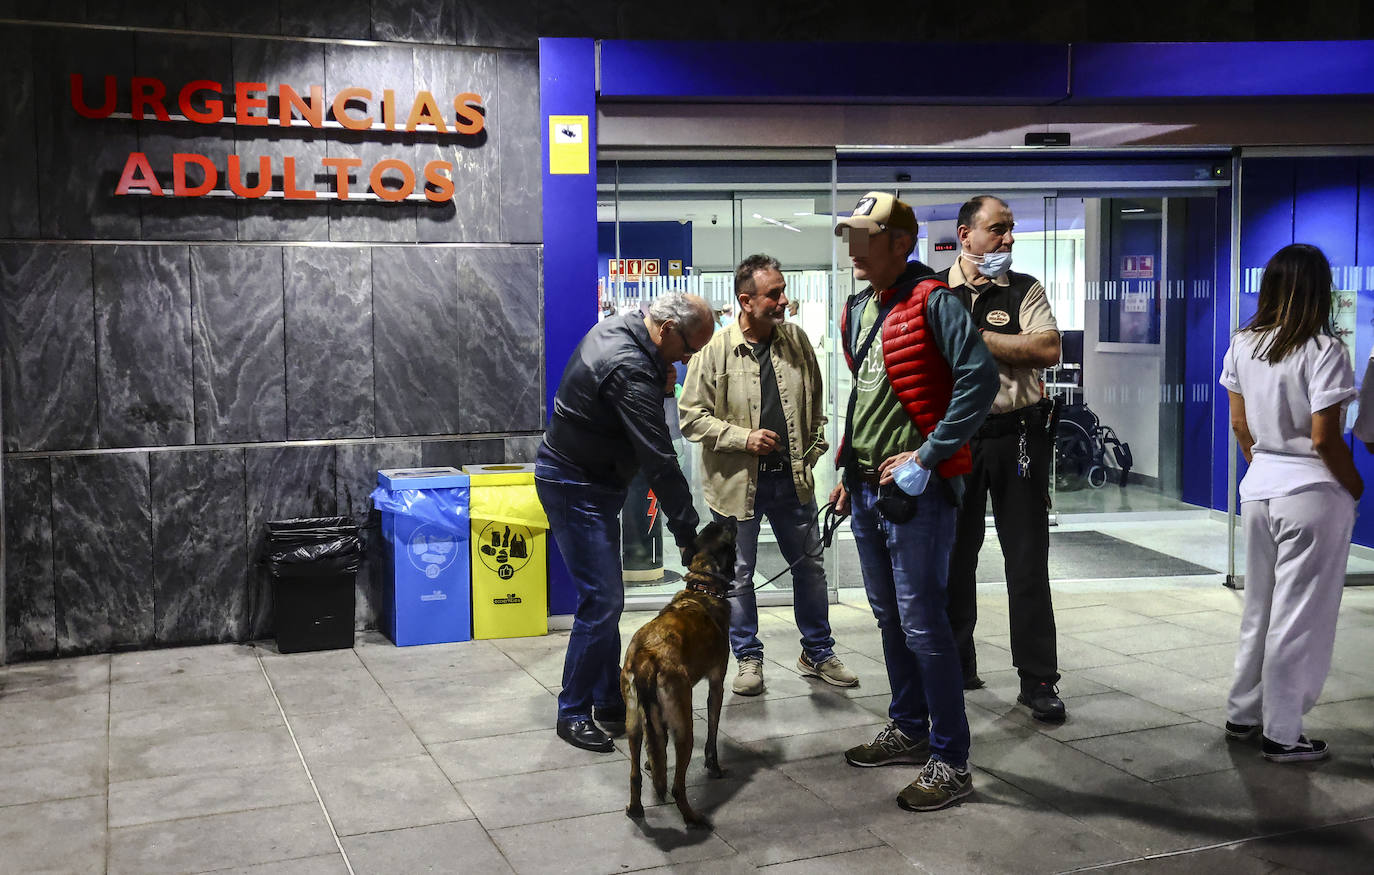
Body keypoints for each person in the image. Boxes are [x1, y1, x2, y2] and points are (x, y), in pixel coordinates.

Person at [830, 191, 998, 812]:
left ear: (902, 243)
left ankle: (951, 759)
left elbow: (979, 380)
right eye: (850, 235)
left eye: (866, 236)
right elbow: (867, 393)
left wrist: (928, 459)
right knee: (890, 617)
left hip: (917, 495)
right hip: (871, 487)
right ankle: (909, 727)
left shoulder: (936, 303)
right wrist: (849, 466)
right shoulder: (857, 309)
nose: (854, 247)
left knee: (924, 623)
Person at [536, 293, 713, 753]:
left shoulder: (629, 331)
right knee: (603, 600)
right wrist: (688, 535)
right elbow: (658, 458)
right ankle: (572, 710)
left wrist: (662, 378)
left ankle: (608, 700)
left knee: (606, 597)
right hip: (576, 487)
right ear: (668, 328)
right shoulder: (630, 367)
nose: (688, 360)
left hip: (592, 482)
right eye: (689, 349)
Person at [679, 254, 858, 696]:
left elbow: (816, 404)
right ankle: (748, 657)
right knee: (738, 575)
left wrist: (814, 449)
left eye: (783, 291)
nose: (784, 301)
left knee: (810, 569)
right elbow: (690, 418)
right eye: (773, 294)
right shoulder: (714, 350)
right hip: (736, 488)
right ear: (746, 300)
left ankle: (817, 651)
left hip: (791, 483)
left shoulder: (796, 340)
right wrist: (742, 438)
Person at [1220, 243, 1361, 763]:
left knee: (1259, 607)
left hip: (1259, 489)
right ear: (1319, 290)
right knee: (1299, 616)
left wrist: (1260, 465)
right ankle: (1283, 733)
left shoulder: (1243, 343)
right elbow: (1326, 439)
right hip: (1311, 492)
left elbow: (1240, 424)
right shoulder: (1324, 350)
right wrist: (1354, 486)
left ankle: (1243, 713)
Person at [940, 195, 1066, 723]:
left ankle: (1038, 679)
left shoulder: (1024, 289)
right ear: (966, 235)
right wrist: (1005, 343)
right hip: (956, 440)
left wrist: (979, 338)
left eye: (1011, 229)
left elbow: (1046, 349)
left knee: (1027, 562)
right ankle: (955, 664)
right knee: (953, 559)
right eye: (998, 229)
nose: (1008, 239)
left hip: (1018, 439)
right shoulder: (935, 293)